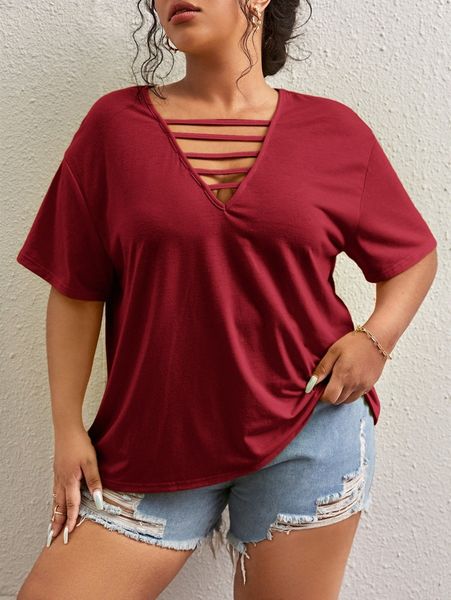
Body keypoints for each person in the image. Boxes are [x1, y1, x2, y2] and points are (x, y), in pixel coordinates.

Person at [16, 1, 438, 599]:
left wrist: (377, 339)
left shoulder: (335, 131)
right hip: (151, 439)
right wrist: (67, 430)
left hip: (310, 428)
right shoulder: (114, 126)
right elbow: (75, 289)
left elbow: (413, 254)